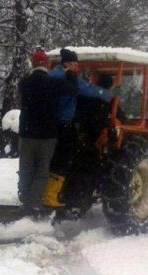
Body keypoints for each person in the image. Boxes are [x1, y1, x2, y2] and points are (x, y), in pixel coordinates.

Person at [45, 48, 121, 207]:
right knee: (63, 157)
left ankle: (41, 192)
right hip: (63, 122)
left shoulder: (50, 75)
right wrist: (109, 94)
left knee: (50, 157)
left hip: (47, 123)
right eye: (74, 64)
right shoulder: (68, 77)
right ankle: (52, 195)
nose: (77, 68)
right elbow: (88, 89)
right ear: (67, 64)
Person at [17, 49, 78, 216]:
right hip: (47, 135)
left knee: (26, 168)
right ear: (48, 64)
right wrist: (71, 74)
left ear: (33, 63)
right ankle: (35, 204)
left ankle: (24, 198)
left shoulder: (24, 83)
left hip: (26, 134)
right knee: (42, 170)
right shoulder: (52, 83)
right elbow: (72, 90)